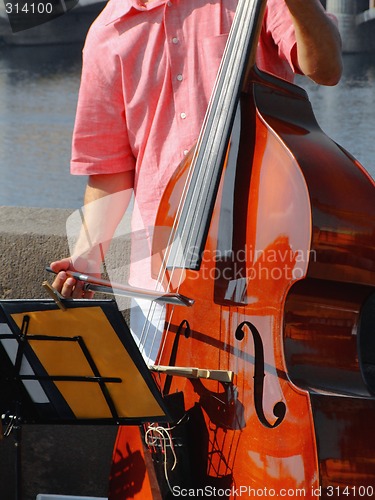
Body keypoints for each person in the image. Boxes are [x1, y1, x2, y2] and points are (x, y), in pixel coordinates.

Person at [50, 0, 342, 362]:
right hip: (162, 274)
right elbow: (110, 173)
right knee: (159, 413)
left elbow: (325, 69)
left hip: (262, 255)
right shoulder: (108, 32)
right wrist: (86, 259)